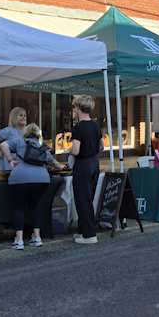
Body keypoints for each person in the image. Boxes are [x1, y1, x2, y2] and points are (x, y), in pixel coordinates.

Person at [3, 124, 55, 249]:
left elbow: (3, 144)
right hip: (42, 179)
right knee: (35, 206)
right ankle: (37, 237)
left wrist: (10, 159)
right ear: (38, 135)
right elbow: (53, 162)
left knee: (19, 207)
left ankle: (19, 240)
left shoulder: (19, 141)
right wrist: (62, 167)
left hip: (19, 178)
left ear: (25, 133)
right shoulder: (41, 146)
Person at [69, 96, 102, 245]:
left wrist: (69, 150)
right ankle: (84, 231)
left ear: (79, 108)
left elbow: (75, 151)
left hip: (83, 165)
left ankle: (89, 235)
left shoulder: (78, 128)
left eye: (74, 108)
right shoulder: (96, 125)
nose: (73, 111)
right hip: (95, 163)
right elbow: (101, 146)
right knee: (88, 199)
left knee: (82, 200)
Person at [0, 107, 28, 173]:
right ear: (14, 117)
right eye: (21, 115)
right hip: (8, 168)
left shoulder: (27, 132)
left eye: (25, 115)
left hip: (23, 168)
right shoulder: (8, 131)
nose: (24, 117)